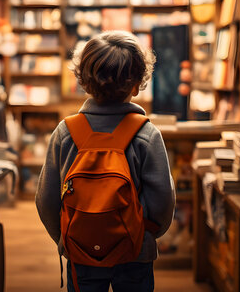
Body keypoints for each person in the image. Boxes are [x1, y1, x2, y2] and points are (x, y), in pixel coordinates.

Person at [35, 30, 175, 291]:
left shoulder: (65, 133)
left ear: (83, 81)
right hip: (135, 253)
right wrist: (144, 236)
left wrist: (67, 239)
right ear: (136, 84)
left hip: (80, 250)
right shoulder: (147, 134)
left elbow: (45, 200)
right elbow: (163, 202)